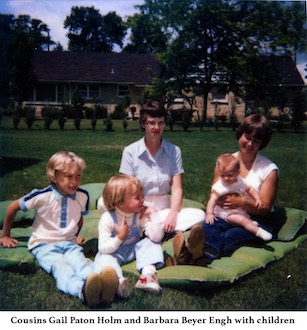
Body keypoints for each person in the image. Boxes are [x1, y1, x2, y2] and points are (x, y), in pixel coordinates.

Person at [0, 151, 118, 308]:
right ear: (54, 176)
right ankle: (81, 290)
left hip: (69, 243)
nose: (75, 181)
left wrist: (75, 235)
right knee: (62, 267)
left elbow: (79, 217)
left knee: (81, 263)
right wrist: (5, 235)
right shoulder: (42, 196)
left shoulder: (82, 196)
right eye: (69, 176)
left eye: (78, 176)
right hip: (43, 245)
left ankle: (102, 284)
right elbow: (13, 207)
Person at [171, 114, 279, 265]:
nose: (250, 144)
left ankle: (195, 256)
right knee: (209, 227)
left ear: (262, 143)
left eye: (256, 141)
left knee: (232, 235)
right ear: (240, 135)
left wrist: (242, 202)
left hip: (256, 220)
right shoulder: (226, 163)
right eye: (247, 137)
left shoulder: (268, 169)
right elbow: (216, 193)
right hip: (226, 215)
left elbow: (265, 209)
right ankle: (195, 254)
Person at [115, 102, 205, 234]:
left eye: (161, 123)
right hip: (139, 208)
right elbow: (125, 191)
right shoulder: (130, 151)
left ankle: (156, 229)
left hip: (164, 209)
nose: (156, 127)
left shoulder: (174, 151)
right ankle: (160, 231)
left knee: (199, 215)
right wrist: (144, 210)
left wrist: (173, 214)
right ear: (143, 123)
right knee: (104, 203)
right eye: (151, 123)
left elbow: (177, 187)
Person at [94, 174, 165, 300]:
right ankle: (117, 282)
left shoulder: (138, 215)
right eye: (137, 197)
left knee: (151, 243)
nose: (142, 199)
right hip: (114, 252)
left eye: (142, 195)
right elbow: (103, 247)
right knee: (103, 257)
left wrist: (153, 214)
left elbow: (156, 237)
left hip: (133, 250)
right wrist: (119, 238)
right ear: (119, 201)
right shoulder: (108, 218)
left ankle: (147, 276)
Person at [206, 153, 272, 241]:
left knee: (241, 223)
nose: (226, 178)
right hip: (225, 214)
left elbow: (250, 189)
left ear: (238, 173)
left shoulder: (240, 181)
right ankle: (259, 232)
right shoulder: (220, 186)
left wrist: (257, 199)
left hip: (239, 210)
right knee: (241, 221)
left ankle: (253, 228)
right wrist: (209, 213)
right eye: (222, 175)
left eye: (230, 175)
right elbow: (212, 200)